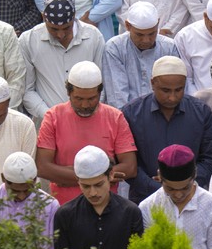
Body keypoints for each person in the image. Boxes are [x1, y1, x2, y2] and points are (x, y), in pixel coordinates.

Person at [122, 56, 212, 203]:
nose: (172, 97)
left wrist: (182, 183)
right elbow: (128, 164)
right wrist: (156, 187)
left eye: (178, 90)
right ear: (152, 83)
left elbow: (211, 159)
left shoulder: (201, 112)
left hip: (192, 199)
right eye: (166, 90)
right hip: (145, 199)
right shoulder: (131, 113)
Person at [36, 63, 138, 205]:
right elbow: (43, 167)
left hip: (106, 207)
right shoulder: (53, 116)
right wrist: (103, 176)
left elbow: (130, 167)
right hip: (64, 208)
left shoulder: (115, 117)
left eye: (91, 99)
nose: (85, 105)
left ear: (100, 93)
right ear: (69, 93)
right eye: (78, 99)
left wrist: (67, 176)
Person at [139, 144, 212, 249]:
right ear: (159, 176)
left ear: (195, 175)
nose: (178, 194)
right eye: (170, 189)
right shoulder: (147, 207)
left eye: (185, 188)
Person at [20, 0, 106, 125]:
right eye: (53, 29)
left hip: (90, 121)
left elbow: (102, 85)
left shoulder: (94, 37)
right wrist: (50, 116)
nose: (60, 34)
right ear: (43, 17)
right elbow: (27, 91)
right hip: (46, 124)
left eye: (67, 28)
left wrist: (89, 111)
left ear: (74, 16)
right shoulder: (28, 40)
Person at [102, 2, 180, 110]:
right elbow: (118, 98)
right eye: (140, 34)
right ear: (128, 26)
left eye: (152, 33)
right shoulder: (114, 48)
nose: (146, 40)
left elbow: (175, 92)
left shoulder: (169, 47)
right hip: (126, 118)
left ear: (158, 24)